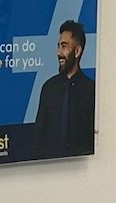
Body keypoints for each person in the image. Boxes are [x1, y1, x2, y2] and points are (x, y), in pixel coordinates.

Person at [31, 20, 95, 158]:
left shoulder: (91, 91)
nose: (59, 52)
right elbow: (37, 139)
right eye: (58, 46)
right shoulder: (48, 88)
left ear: (77, 51)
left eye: (64, 46)